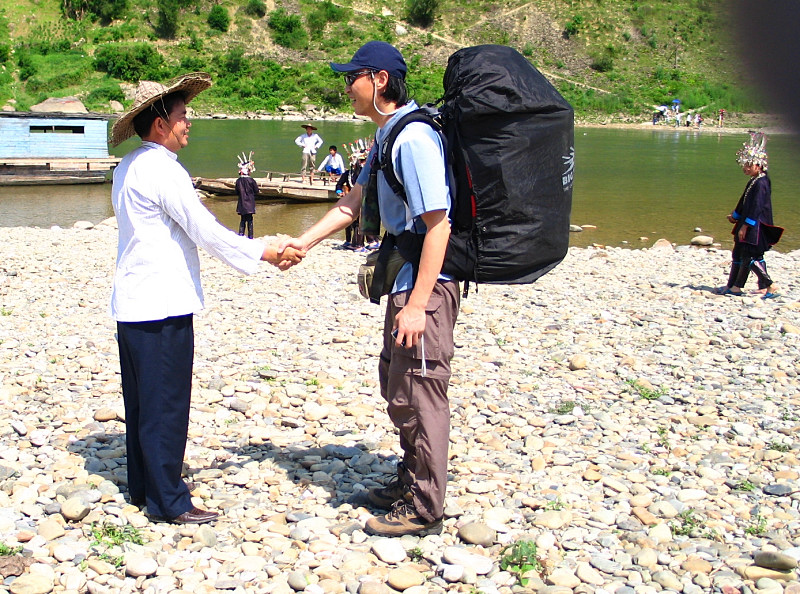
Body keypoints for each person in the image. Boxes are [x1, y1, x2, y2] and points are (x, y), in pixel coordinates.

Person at [109, 72, 304, 525]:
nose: (188, 123)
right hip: (162, 302)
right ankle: (169, 502)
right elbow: (204, 230)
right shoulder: (164, 169)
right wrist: (264, 251)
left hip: (134, 300)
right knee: (166, 403)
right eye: (182, 116)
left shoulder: (128, 166)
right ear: (160, 123)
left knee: (142, 402)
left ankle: (144, 487)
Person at [281, 41, 458, 537]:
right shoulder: (387, 135)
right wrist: (304, 243)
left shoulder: (413, 139)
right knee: (398, 386)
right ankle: (411, 479)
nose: (346, 87)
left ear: (379, 80)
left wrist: (418, 305)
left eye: (351, 77)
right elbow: (354, 201)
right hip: (404, 280)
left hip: (425, 286)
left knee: (421, 392)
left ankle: (425, 508)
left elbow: (439, 225)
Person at [715, 132, 779, 298]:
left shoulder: (762, 182)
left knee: (749, 255)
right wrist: (736, 216)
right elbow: (744, 202)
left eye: (749, 165)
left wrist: (745, 225)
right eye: (745, 165)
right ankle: (735, 286)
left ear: (759, 165)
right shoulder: (755, 180)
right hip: (749, 222)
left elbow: (756, 207)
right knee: (739, 253)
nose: (745, 168)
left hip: (755, 225)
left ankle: (769, 285)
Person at [235, 160, 258, 239]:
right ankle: (250, 237)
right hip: (250, 203)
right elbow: (256, 191)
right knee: (250, 220)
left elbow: (236, 191)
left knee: (242, 220)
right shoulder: (251, 181)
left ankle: (241, 235)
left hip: (242, 203)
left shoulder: (238, 181)